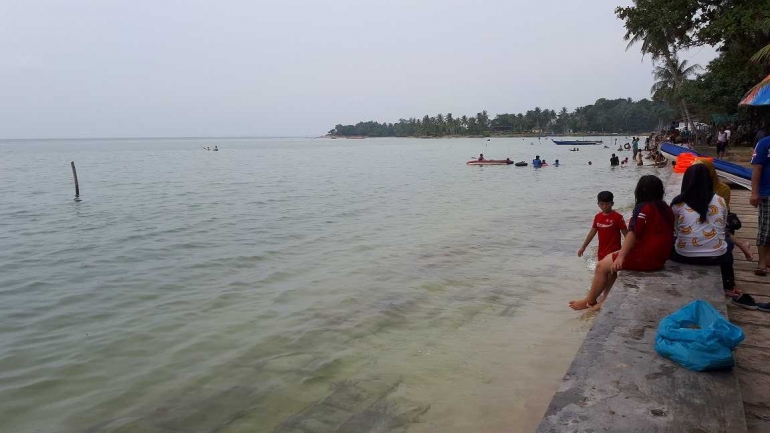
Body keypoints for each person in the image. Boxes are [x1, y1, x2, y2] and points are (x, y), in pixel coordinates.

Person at [569, 175, 675, 311]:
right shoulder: (666, 208)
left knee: (602, 266)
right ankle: (601, 300)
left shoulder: (642, 208)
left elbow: (632, 233)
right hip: (661, 258)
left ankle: (589, 301)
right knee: (608, 262)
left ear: (640, 191)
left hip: (646, 259)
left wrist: (621, 256)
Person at [669, 164, 739, 298]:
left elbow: (675, 229)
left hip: (684, 255)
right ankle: (729, 285)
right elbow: (722, 228)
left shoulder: (678, 203)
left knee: (671, 240)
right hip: (715, 257)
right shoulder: (720, 201)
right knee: (727, 245)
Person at [577, 191, 628, 262]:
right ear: (598, 204)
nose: (604, 206)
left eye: (607, 204)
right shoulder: (597, 217)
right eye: (602, 204)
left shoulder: (618, 217)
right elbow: (591, 234)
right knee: (601, 272)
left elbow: (626, 234)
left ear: (612, 204)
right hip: (601, 252)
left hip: (614, 252)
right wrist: (583, 247)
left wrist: (629, 250)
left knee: (612, 272)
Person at [751, 136, 770, 276]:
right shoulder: (765, 143)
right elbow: (757, 168)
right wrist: (754, 193)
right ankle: (762, 262)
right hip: (768, 192)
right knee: (766, 227)